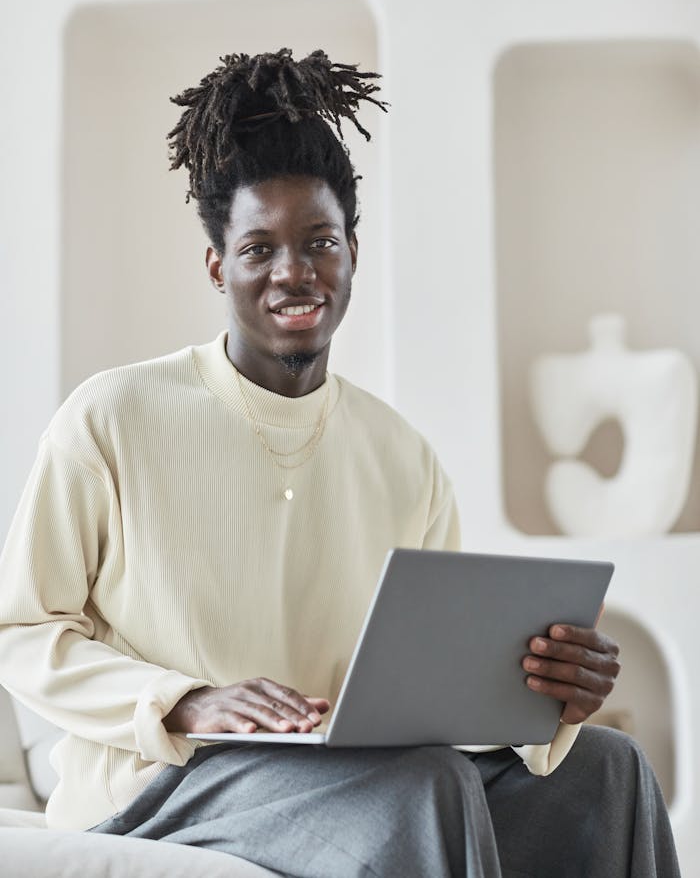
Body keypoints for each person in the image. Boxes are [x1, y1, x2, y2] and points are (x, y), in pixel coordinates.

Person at [0, 48, 680, 877]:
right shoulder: (111, 418)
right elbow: (22, 631)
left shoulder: (403, 457)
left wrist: (550, 696)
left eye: (319, 242)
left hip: (353, 772)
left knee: (609, 772)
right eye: (259, 249)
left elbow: (440, 688)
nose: (293, 273)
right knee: (422, 786)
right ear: (218, 265)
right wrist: (183, 699)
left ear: (352, 253)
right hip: (166, 783)